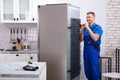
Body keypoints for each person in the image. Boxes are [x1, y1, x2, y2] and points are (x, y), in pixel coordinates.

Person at [80, 11, 103, 80]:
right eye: (87, 17)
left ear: (94, 18)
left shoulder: (98, 28)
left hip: (93, 50)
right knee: (87, 69)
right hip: (86, 49)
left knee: (94, 69)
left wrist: (88, 28)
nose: (87, 19)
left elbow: (95, 38)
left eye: (89, 17)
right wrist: (82, 30)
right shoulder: (85, 28)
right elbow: (81, 40)